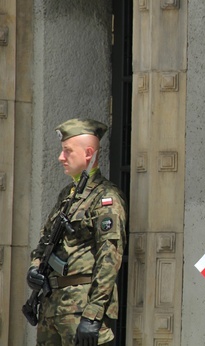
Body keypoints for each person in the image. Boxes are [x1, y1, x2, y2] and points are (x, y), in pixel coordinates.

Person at [26, 118, 127, 346]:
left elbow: (109, 258)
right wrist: (34, 268)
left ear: (88, 153)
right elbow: (45, 242)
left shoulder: (105, 198)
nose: (61, 158)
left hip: (81, 309)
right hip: (52, 307)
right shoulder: (67, 196)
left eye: (67, 151)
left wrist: (92, 314)